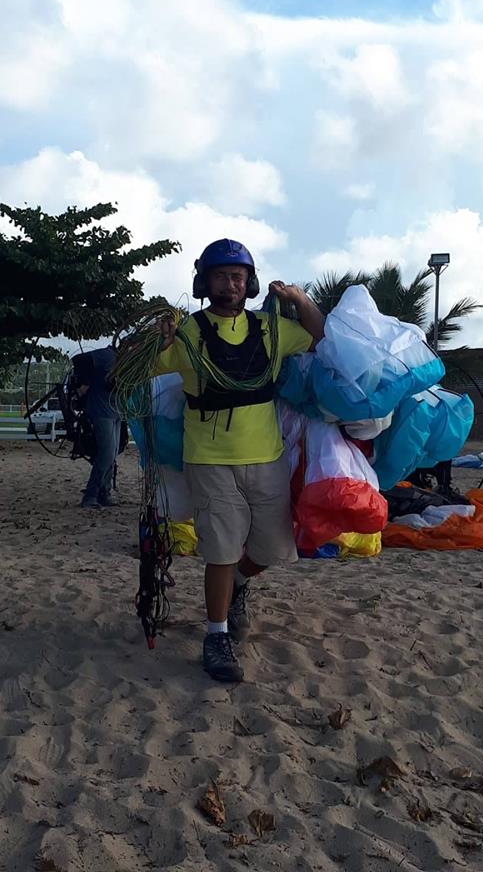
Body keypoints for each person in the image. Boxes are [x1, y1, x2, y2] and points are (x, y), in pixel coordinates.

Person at [154, 239, 324, 682]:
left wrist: (300, 300)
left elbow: (321, 338)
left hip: (267, 458)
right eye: (220, 276)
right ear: (204, 283)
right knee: (222, 551)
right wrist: (156, 340)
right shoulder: (188, 333)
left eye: (237, 276)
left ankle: (240, 587)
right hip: (209, 459)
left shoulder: (271, 329)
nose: (230, 284)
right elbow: (139, 367)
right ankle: (216, 635)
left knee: (271, 548)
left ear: (250, 283)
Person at [72, 345, 122, 509]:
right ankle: (90, 495)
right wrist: (86, 383)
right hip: (101, 411)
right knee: (106, 454)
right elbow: (79, 360)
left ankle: (104, 492)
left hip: (115, 412)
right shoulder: (107, 355)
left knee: (112, 454)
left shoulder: (125, 362)